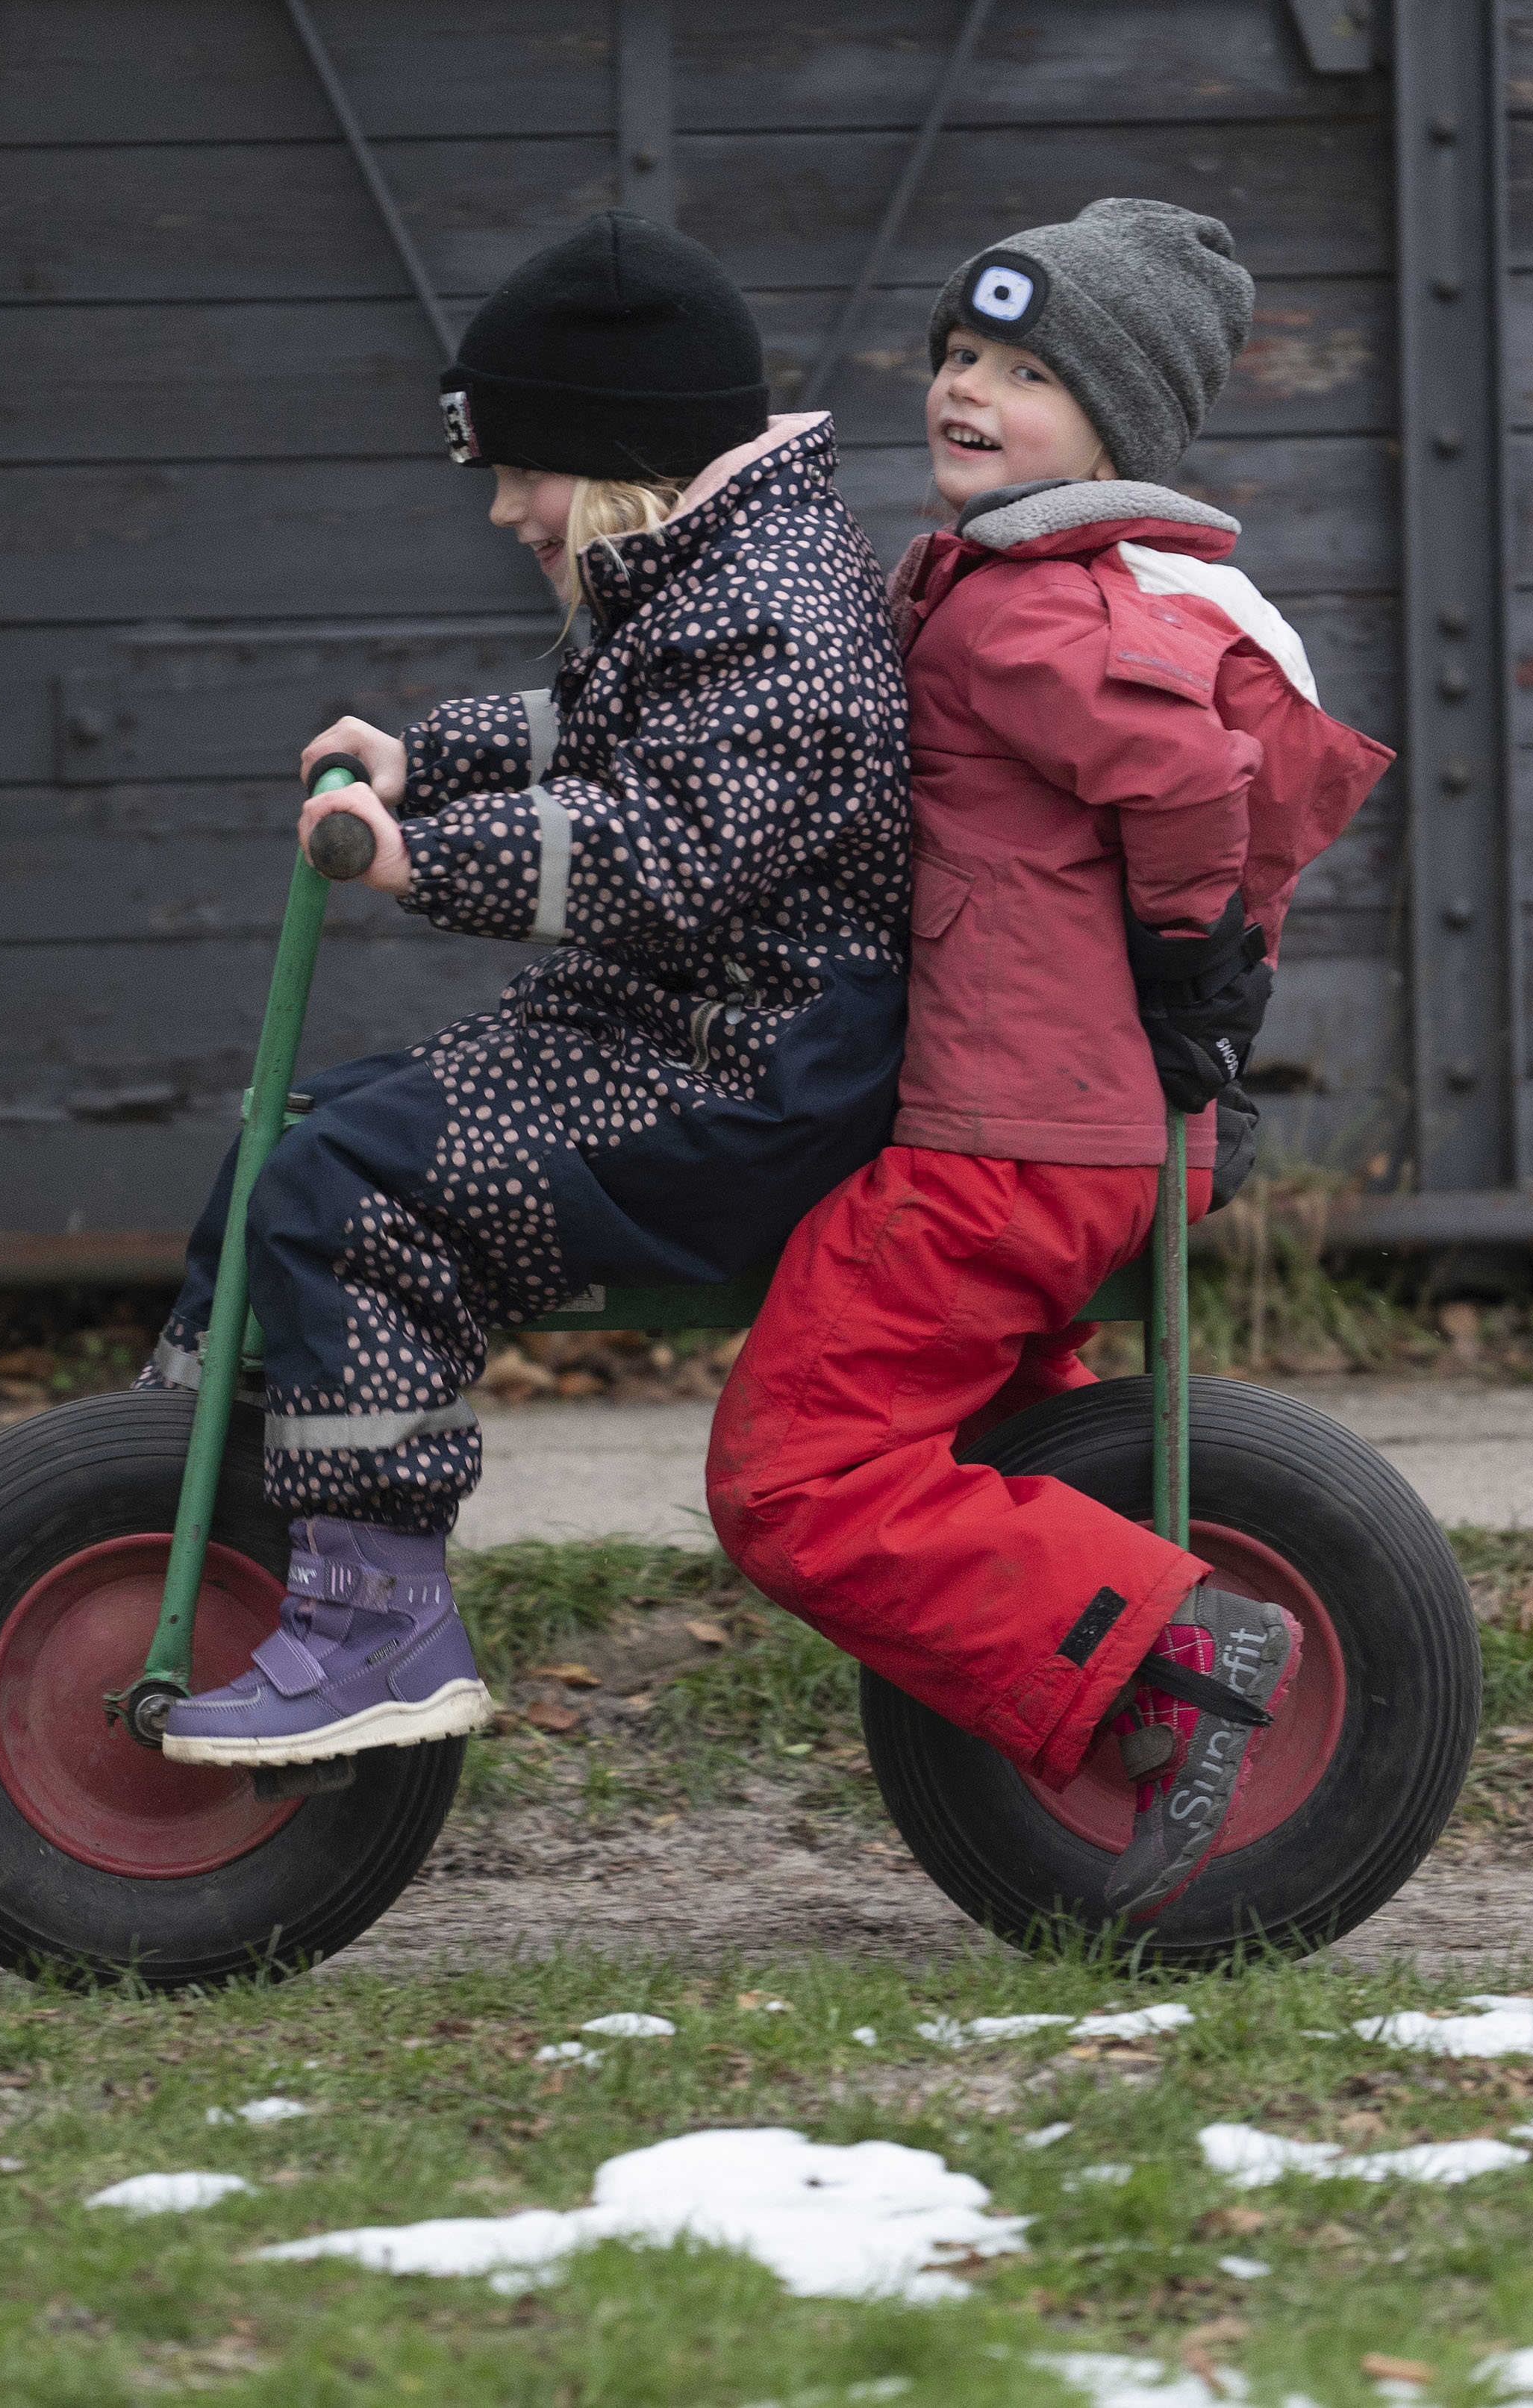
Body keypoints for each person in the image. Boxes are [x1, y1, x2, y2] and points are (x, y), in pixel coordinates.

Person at [147, 210, 911, 1770]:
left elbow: (659, 847)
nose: (505, 510)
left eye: (524, 471)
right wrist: (425, 762)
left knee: (352, 1192)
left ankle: (375, 1620)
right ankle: (172, 1478)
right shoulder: (703, 573)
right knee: (291, 1136)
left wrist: (413, 861)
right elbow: (602, 739)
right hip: (668, 1030)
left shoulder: (777, 612)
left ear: (622, 449)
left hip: (750, 1077)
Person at [703, 198, 1393, 1918]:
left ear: (1119, 427)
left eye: (1025, 372)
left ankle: (1173, 1644)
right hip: (1061, 1134)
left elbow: (1180, 779)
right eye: (957, 354)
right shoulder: (1002, 583)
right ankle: (1128, 1633)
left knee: (794, 1476)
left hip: (1008, 1141)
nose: (968, 389)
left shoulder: (1040, 608)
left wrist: (1188, 962)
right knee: (992, 1449)